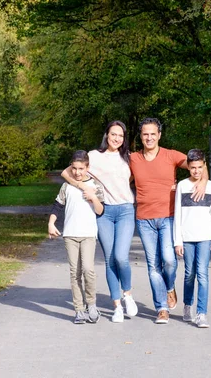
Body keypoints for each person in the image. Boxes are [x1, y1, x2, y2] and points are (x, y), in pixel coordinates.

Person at [129, 117, 208, 324]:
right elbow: (118, 178)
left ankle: (170, 287)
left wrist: (204, 182)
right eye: (145, 134)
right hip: (144, 219)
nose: (149, 137)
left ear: (159, 135)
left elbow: (198, 165)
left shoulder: (171, 155)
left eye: (153, 134)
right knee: (153, 265)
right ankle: (161, 308)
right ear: (141, 135)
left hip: (168, 217)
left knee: (170, 261)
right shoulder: (133, 159)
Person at [61, 121, 138, 323]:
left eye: (121, 136)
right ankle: (116, 306)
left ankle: (127, 295)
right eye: (113, 134)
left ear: (124, 138)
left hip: (125, 210)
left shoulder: (128, 158)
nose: (117, 138)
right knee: (111, 258)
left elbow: (141, 178)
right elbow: (66, 172)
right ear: (107, 135)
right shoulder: (93, 156)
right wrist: (81, 186)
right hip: (104, 212)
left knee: (121, 257)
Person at [49, 150, 105, 324]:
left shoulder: (95, 185)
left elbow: (100, 211)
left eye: (81, 168)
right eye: (74, 168)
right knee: (75, 272)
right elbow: (57, 205)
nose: (78, 172)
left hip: (88, 234)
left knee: (88, 270)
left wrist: (93, 198)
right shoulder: (67, 186)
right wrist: (51, 223)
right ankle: (79, 310)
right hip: (70, 235)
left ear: (88, 168)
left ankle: (92, 304)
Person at [174, 149, 211, 328]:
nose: (196, 171)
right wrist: (178, 240)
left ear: (204, 166)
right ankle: (187, 305)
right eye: (193, 168)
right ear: (188, 168)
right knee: (189, 274)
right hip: (187, 237)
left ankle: (201, 313)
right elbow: (177, 214)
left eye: (200, 167)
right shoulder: (183, 186)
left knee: (203, 274)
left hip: (204, 237)